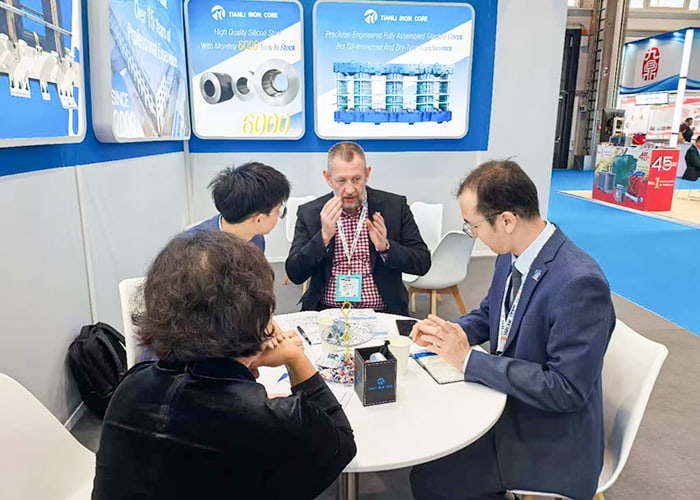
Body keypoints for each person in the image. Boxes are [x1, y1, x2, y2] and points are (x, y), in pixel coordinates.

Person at [93, 231, 356, 500]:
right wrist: (295, 358)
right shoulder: (279, 420)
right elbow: (342, 443)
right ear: (257, 316)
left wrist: (245, 369)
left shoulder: (131, 386)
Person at [409, 160, 615, 500]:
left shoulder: (579, 283)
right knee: (428, 436)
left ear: (506, 220)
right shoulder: (513, 254)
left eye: (473, 225)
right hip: (512, 401)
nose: (472, 234)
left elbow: (566, 390)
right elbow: (492, 312)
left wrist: (469, 361)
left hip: (550, 438)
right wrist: (450, 333)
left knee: (431, 480)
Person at [285, 142, 431, 315]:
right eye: (341, 180)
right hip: (328, 311)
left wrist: (386, 248)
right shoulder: (310, 213)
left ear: (367, 174)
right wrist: (323, 238)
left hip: (382, 311)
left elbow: (422, 263)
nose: (350, 189)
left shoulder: (394, 207)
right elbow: (295, 274)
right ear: (328, 178)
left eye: (356, 179)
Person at [190, 162, 291, 251]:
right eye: (278, 210)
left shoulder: (256, 238)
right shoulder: (192, 249)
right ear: (259, 220)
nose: (279, 214)